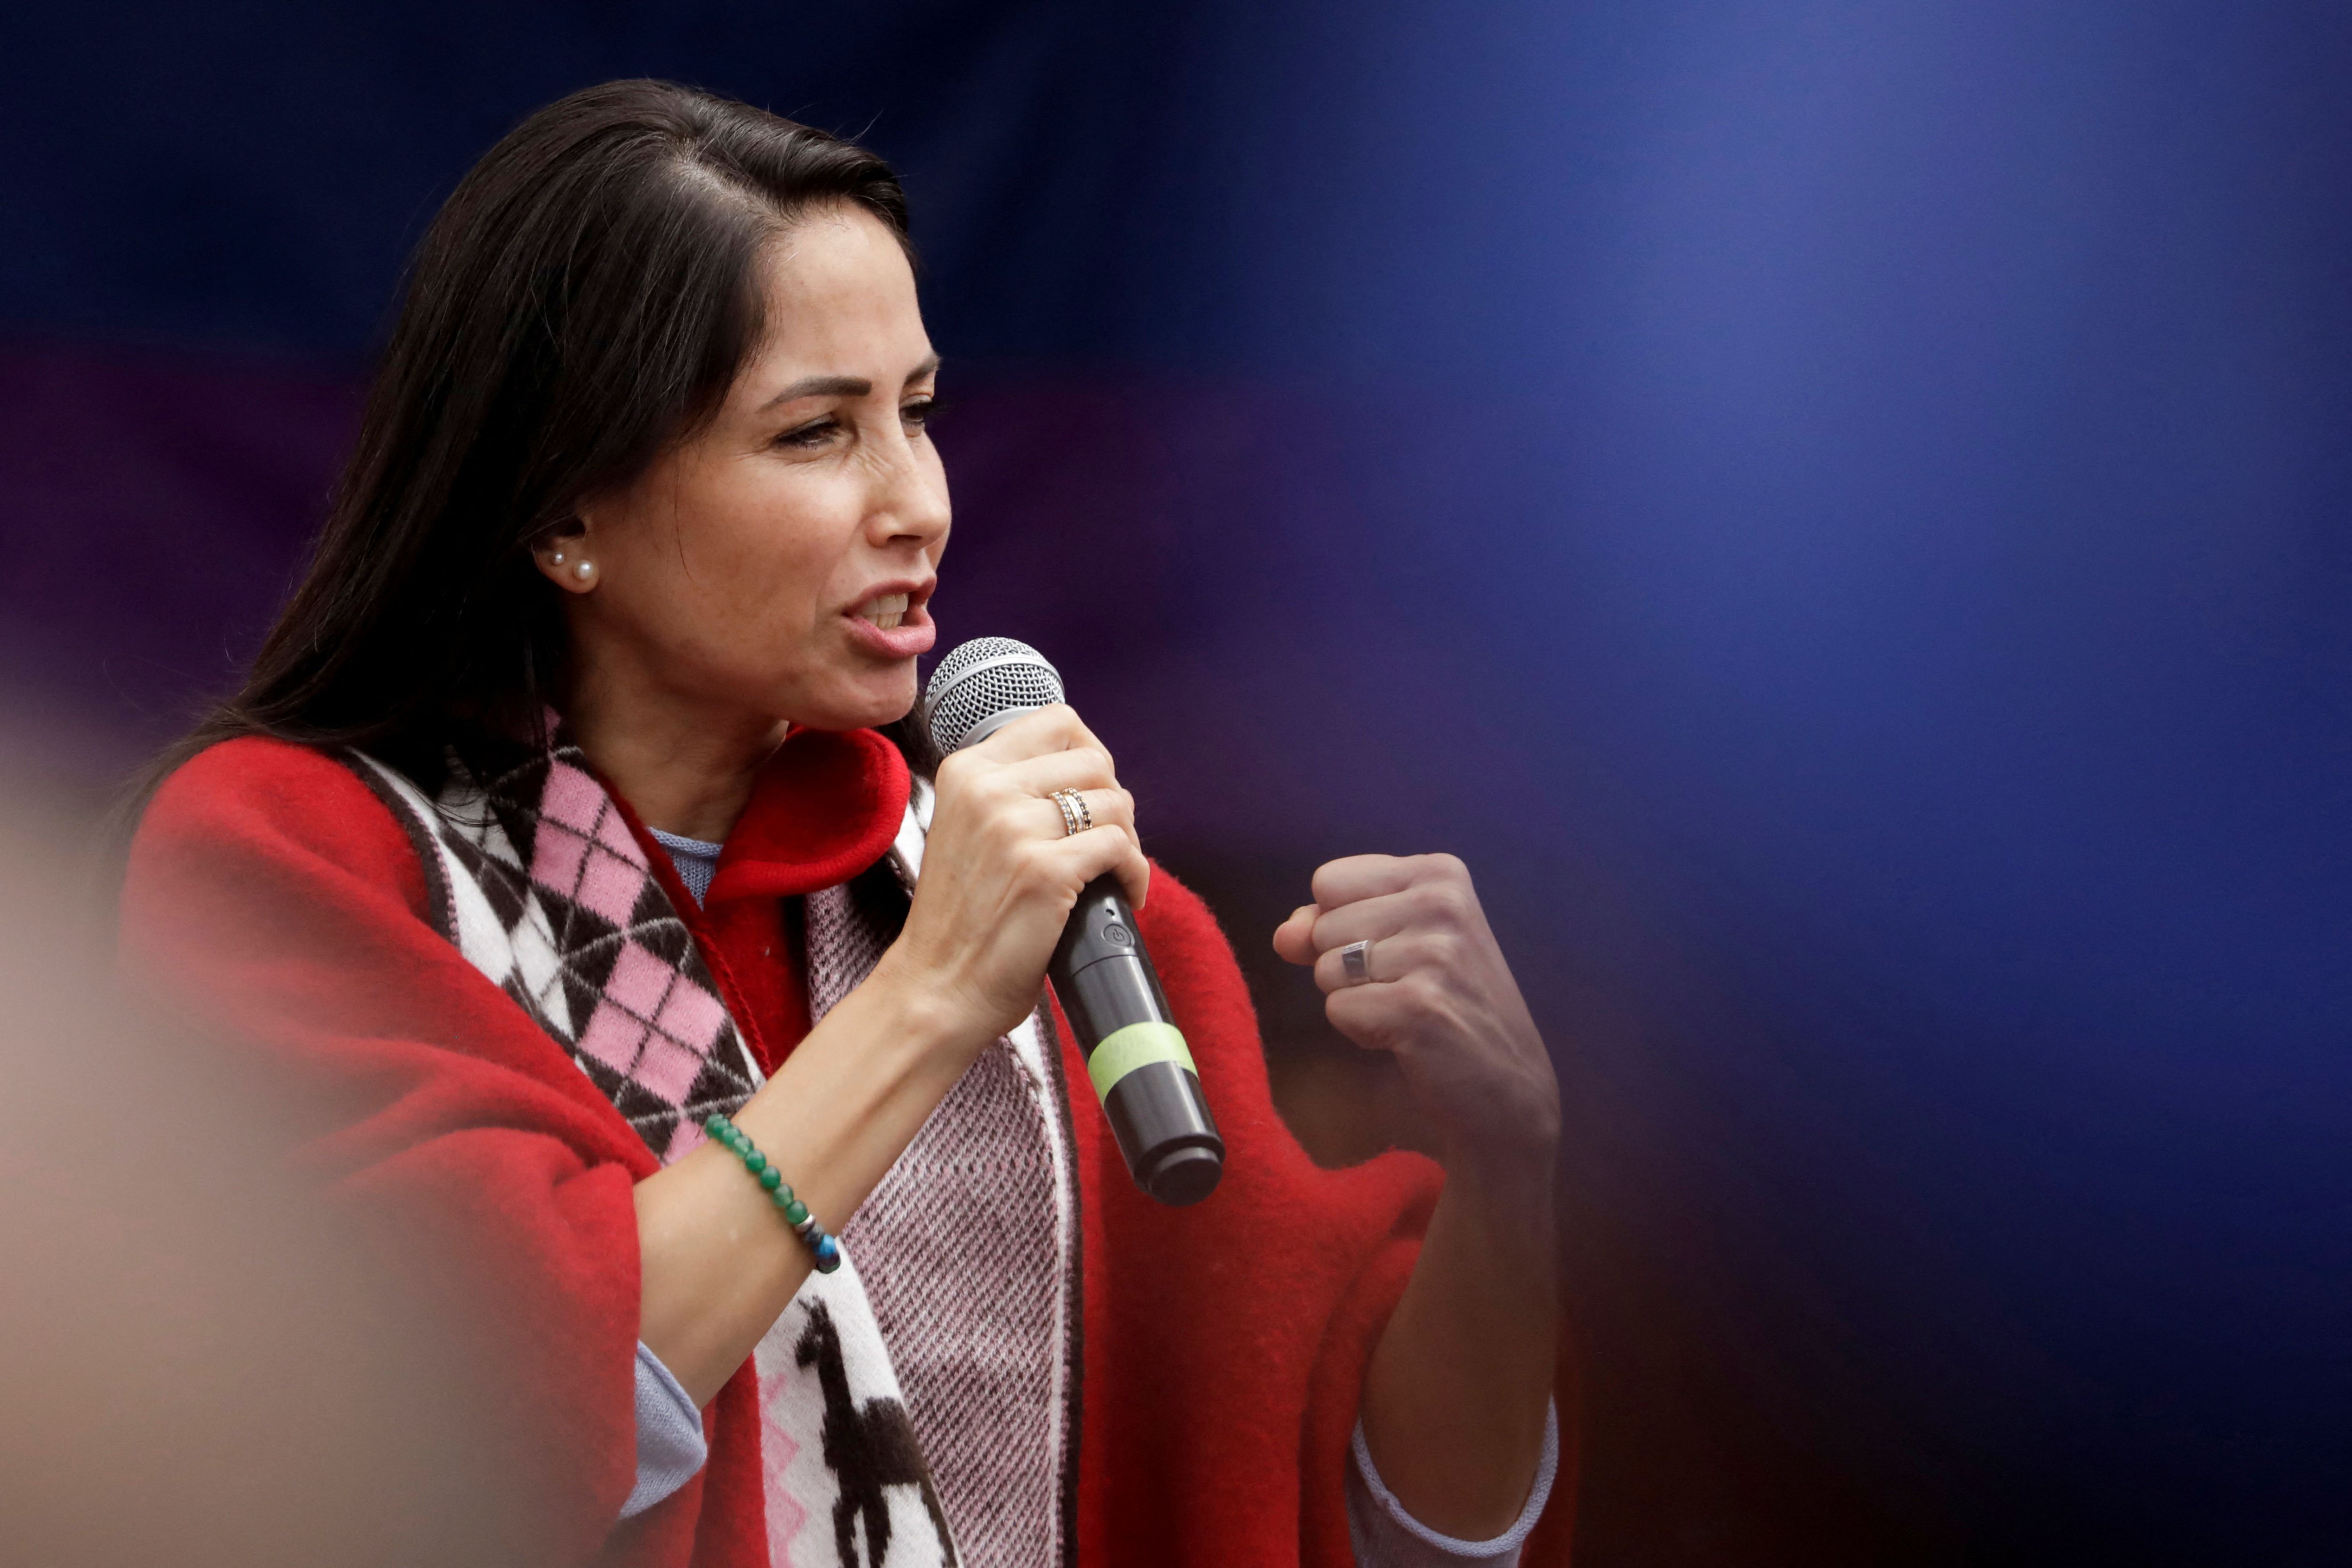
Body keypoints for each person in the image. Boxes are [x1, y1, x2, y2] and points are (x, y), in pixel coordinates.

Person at [118, 80, 1570, 1568]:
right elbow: (461, 1434)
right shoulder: (299, 863)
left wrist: (1510, 1172)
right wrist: (932, 995)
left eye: (918, 414)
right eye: (817, 434)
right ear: (564, 515)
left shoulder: (1081, 931)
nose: (918, 503)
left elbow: (1366, 1521)